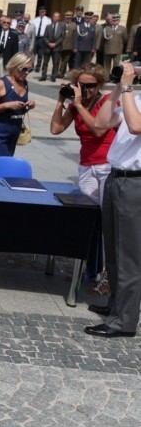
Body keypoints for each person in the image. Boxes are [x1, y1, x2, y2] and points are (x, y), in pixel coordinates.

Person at [84, 62, 141, 338]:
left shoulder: (135, 98)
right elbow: (101, 123)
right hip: (116, 177)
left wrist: (128, 87)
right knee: (114, 253)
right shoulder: (135, 97)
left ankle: (125, 321)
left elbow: (135, 125)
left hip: (136, 183)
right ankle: (116, 306)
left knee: (129, 255)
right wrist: (117, 89)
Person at [50, 63, 116, 296]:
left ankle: (109, 276)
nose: (86, 90)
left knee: (109, 223)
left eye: (90, 86)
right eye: (81, 85)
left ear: (99, 85)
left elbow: (99, 130)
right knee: (90, 220)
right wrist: (61, 101)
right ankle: (90, 269)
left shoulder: (108, 101)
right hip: (86, 167)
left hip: (107, 166)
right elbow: (56, 129)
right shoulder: (78, 105)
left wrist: (78, 104)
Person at [0, 52, 36, 165]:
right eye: (24, 69)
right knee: (1, 166)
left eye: (29, 70)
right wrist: (6, 105)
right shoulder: (2, 83)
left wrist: (28, 106)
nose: (26, 73)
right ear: (14, 66)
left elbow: (18, 109)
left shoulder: (24, 83)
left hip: (13, 135)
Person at [40, 12, 64, 81]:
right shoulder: (48, 26)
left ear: (59, 18)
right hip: (48, 47)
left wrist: (55, 44)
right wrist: (49, 43)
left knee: (56, 63)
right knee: (45, 62)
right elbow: (45, 37)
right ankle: (43, 76)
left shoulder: (62, 26)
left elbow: (62, 37)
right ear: (52, 18)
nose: (55, 18)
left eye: (57, 17)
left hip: (57, 47)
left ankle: (53, 76)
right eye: (54, 16)